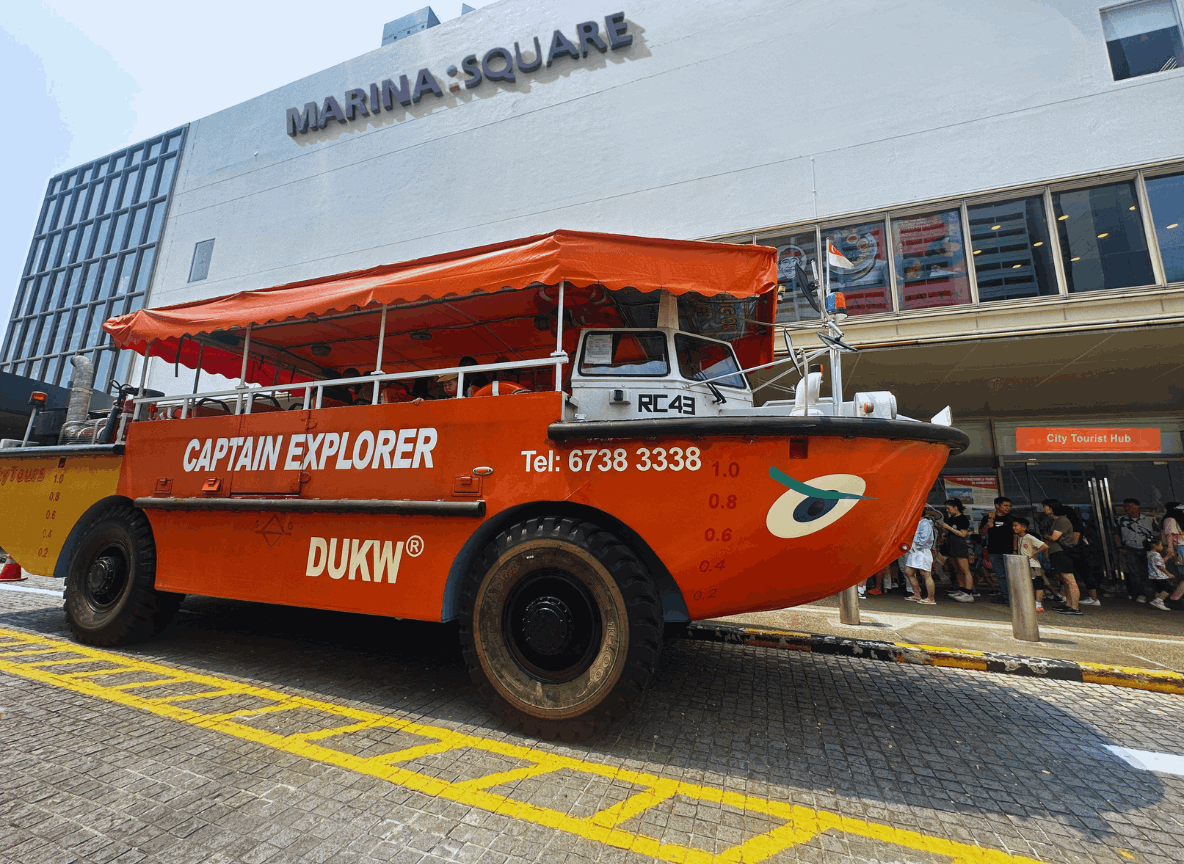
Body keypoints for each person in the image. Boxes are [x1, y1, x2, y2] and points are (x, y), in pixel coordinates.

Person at [1042, 499, 1082, 615]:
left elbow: (1055, 537)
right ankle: (1069, 604)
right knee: (1065, 580)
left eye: (1045, 506)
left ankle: (1075, 607)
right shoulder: (1056, 520)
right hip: (1057, 552)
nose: (1044, 509)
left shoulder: (1061, 520)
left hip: (1062, 552)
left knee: (1069, 580)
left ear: (1051, 508)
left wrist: (1045, 536)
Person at [1115, 498, 1157, 602]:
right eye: (1125, 507)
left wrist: (1157, 545)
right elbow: (1116, 534)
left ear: (1137, 506)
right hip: (1130, 548)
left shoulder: (1149, 519)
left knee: (1151, 571)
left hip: (1147, 549)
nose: (1127, 509)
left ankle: (1157, 592)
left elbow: (1157, 533)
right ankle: (1140, 594)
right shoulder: (1121, 520)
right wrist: (1119, 547)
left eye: (1129, 506)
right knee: (1135, 572)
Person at [979, 497, 1017, 604]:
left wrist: (1015, 550)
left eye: (1009, 506)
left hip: (1009, 551)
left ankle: (1014, 597)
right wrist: (987, 526)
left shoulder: (1012, 519)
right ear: (997, 505)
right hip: (994, 551)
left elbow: (1016, 535)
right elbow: (981, 533)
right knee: (1001, 575)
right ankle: (1006, 597)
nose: (1008, 508)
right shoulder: (988, 518)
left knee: (1011, 575)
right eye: (1005, 505)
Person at [938, 498, 974, 602]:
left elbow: (963, 534)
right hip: (951, 544)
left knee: (965, 569)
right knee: (957, 569)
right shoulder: (951, 519)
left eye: (948, 508)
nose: (947, 511)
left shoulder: (962, 519)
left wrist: (949, 527)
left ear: (955, 507)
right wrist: (943, 528)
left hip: (959, 545)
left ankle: (968, 592)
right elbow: (948, 532)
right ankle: (961, 589)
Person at [1013, 517, 1049, 612]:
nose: (1014, 527)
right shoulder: (1018, 538)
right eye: (1013, 526)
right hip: (1024, 564)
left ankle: (1038, 604)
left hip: (1033, 565)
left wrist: (1034, 553)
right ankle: (1032, 602)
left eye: (1016, 525)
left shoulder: (1029, 537)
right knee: (1028, 584)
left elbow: (1044, 546)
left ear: (1023, 527)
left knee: (1038, 584)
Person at [902, 512, 939, 605]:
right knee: (908, 572)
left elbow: (924, 540)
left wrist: (912, 539)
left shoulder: (925, 523)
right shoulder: (917, 523)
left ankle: (931, 598)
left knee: (926, 574)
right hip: (914, 551)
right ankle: (917, 594)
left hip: (923, 551)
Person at [1146, 539, 1177, 611]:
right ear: (1154, 545)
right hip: (1159, 576)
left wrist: (1168, 556)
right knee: (1169, 588)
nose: (1162, 547)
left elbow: (1160, 562)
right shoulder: (1156, 554)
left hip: (1152, 576)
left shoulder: (1149, 553)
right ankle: (1158, 601)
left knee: (1160, 590)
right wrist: (1168, 573)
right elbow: (1159, 566)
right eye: (1161, 545)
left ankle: (1159, 601)